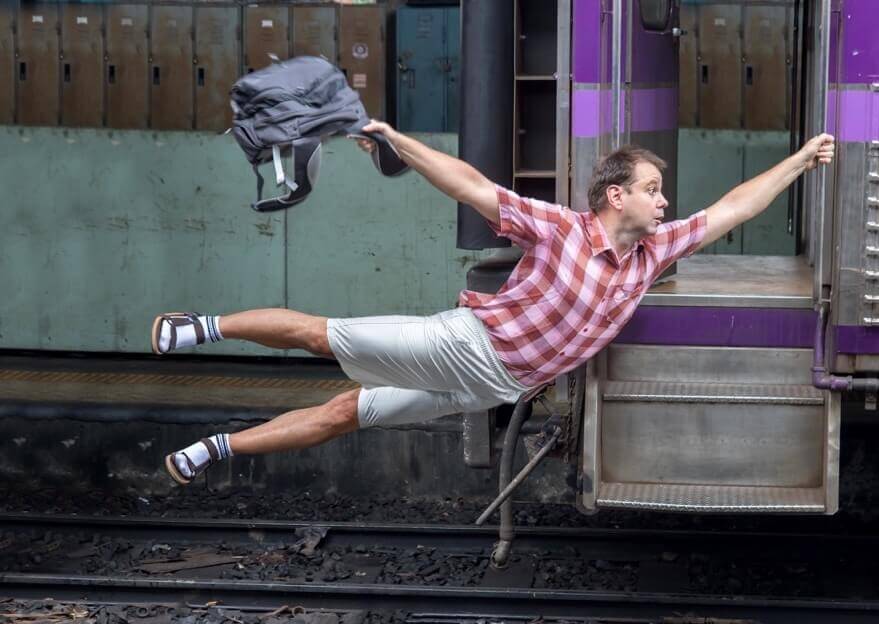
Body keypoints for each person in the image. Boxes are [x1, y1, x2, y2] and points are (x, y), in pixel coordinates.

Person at [156, 120, 835, 484]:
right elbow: (471, 185)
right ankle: (198, 328)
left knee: (342, 413)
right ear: (615, 195)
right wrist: (398, 141)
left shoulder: (655, 253)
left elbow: (733, 207)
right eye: (653, 188)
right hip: (465, 346)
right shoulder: (563, 228)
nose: (665, 200)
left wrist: (801, 159)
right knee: (320, 336)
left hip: (491, 387)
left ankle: (213, 449)